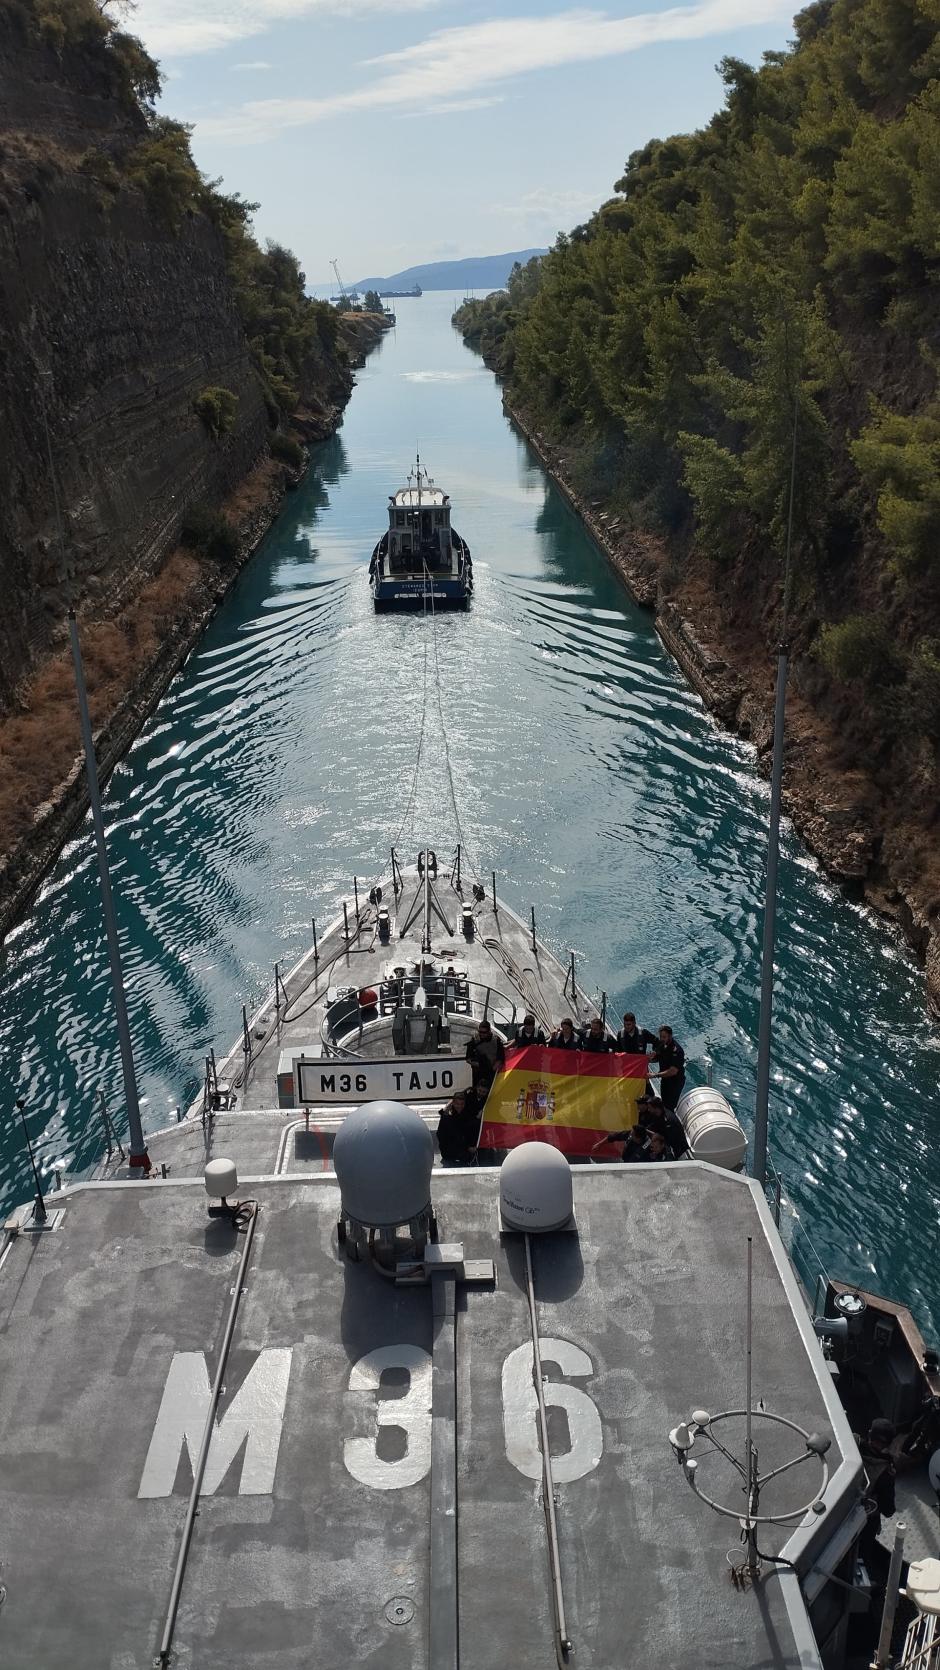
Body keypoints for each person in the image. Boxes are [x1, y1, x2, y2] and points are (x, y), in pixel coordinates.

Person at [637, 1094, 690, 1158]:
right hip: (664, 1140)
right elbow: (654, 1126)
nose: (648, 1110)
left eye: (650, 1108)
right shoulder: (658, 1114)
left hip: (676, 1148)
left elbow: (670, 1139)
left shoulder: (668, 1120)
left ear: (656, 1108)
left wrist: (658, 1137)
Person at [437, 1088, 479, 1166]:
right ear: (453, 1103)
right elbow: (441, 1135)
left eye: (461, 1104)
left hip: (463, 1148)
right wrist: (467, 1147)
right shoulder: (447, 1116)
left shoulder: (467, 1114)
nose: (459, 1106)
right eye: (457, 1104)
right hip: (449, 1150)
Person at [649, 1025, 686, 1111]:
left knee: (669, 1106)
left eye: (664, 1037)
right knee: (664, 1103)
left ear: (670, 1036)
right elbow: (658, 1058)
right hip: (665, 1080)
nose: (662, 1039)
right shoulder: (662, 1045)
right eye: (661, 1036)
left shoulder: (676, 1050)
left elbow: (673, 1071)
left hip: (675, 1082)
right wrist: (648, 1059)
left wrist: (655, 1075)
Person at [466, 1020, 505, 1096]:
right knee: (477, 1094)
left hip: (492, 1073)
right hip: (478, 1073)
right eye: (480, 1032)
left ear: (489, 1031)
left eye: (484, 1032)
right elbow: (468, 1059)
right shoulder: (474, 1040)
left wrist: (492, 1069)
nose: (482, 1034)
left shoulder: (496, 1040)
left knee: (491, 1094)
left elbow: (500, 1058)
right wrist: (480, 1065)